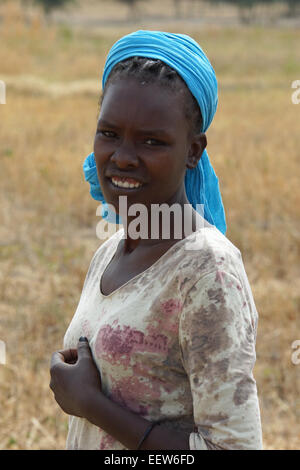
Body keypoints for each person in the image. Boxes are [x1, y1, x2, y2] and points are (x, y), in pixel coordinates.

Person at [49, 30, 263, 450]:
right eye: (110, 134)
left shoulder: (207, 271)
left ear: (193, 151)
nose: (123, 156)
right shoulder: (111, 251)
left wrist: (92, 405)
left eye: (152, 141)